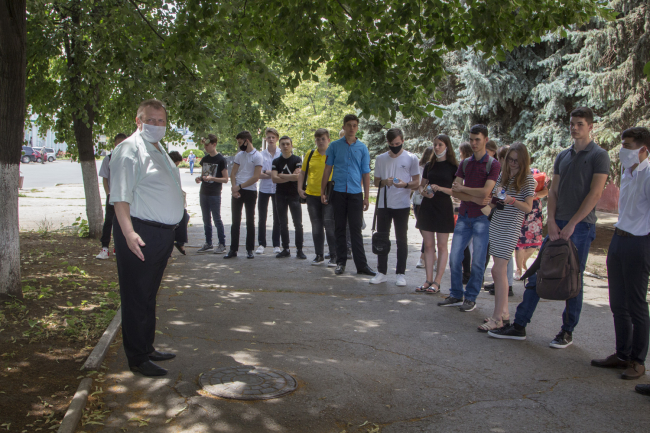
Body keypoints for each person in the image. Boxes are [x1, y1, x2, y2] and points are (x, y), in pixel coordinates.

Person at [489, 107, 610, 348]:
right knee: (537, 274)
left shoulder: (599, 155)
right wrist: (551, 222)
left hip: (581, 226)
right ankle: (519, 325)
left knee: (572, 279)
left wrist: (573, 223)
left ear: (590, 127)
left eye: (580, 124)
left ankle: (566, 331)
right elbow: (552, 192)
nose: (574, 127)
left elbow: (595, 193)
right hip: (557, 223)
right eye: (572, 123)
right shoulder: (563, 156)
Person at [110, 99, 184, 376]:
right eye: (150, 120)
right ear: (138, 121)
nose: (156, 125)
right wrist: (129, 233)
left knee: (149, 294)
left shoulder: (157, 147)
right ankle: (137, 358)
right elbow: (120, 196)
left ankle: (146, 347)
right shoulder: (130, 149)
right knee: (136, 295)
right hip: (140, 232)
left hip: (160, 233)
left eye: (161, 120)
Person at [591, 127, 650, 380]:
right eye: (622, 145)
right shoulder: (627, 172)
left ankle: (638, 361)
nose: (622, 150)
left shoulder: (648, 175)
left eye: (627, 146)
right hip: (619, 239)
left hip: (639, 242)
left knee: (636, 304)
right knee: (617, 303)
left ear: (643, 149)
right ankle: (622, 354)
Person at [438, 124, 500, 312]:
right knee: (454, 258)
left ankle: (471, 298)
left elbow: (486, 192)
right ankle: (456, 294)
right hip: (464, 216)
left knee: (478, 262)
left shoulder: (493, 164)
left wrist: (465, 190)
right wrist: (474, 196)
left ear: (485, 140)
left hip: (482, 218)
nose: (473, 143)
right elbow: (455, 192)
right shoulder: (465, 163)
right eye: (471, 140)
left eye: (477, 140)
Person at [478, 143, 535, 332]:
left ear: (524, 161)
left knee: (497, 270)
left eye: (516, 160)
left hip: (511, 226)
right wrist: (492, 202)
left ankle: (497, 319)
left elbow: (528, 208)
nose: (513, 163)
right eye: (510, 159)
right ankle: (503, 314)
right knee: (498, 271)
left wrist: (511, 200)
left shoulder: (527, 180)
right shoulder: (504, 174)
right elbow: (496, 198)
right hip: (497, 223)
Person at [321, 114, 376, 277]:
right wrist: (323, 192)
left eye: (354, 125)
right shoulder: (334, 146)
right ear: (343, 127)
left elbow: (366, 173)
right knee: (339, 228)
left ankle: (362, 265)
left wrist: (366, 197)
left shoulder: (362, 148)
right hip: (338, 192)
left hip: (355, 193)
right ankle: (341, 262)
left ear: (357, 127)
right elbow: (327, 170)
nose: (352, 128)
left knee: (355, 229)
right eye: (349, 125)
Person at [371, 128, 420, 286]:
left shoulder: (411, 158)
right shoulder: (381, 159)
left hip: (402, 204)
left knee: (401, 239)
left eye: (397, 143)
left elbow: (417, 182)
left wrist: (405, 184)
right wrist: (385, 182)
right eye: (392, 144)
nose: (395, 147)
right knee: (382, 238)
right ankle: (381, 272)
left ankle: (400, 273)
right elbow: (376, 182)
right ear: (388, 143)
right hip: (384, 204)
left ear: (403, 141)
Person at [415, 134, 458, 294]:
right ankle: (428, 280)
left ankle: (437, 282)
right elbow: (421, 185)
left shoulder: (453, 166)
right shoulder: (429, 165)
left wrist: (441, 189)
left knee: (441, 245)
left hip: (444, 207)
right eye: (435, 144)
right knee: (428, 245)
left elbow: (457, 191)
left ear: (447, 146)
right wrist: (423, 192)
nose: (437, 147)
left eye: (440, 144)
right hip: (428, 206)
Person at [299, 128, 337, 266]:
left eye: (323, 139)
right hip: (312, 195)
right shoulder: (310, 154)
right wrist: (299, 189)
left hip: (328, 195)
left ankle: (334, 256)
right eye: (318, 139)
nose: (320, 141)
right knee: (316, 226)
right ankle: (319, 255)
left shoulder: (333, 154)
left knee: (329, 225)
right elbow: (302, 173)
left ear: (328, 140)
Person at [225, 131, 263, 259]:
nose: (239, 145)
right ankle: (233, 249)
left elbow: (256, 177)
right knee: (235, 221)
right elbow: (233, 173)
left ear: (247, 141)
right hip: (237, 190)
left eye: (240, 142)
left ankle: (249, 249)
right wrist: (234, 188)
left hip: (250, 190)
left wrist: (240, 186)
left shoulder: (257, 156)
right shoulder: (239, 155)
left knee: (250, 221)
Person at [271, 136, 306, 259]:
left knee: (298, 223)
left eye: (287, 144)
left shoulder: (297, 159)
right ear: (279, 146)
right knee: (282, 223)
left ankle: (299, 250)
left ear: (291, 145)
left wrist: (281, 175)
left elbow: (298, 177)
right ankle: (285, 249)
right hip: (280, 195)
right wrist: (290, 176)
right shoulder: (276, 161)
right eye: (283, 144)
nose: (285, 146)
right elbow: (274, 179)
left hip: (294, 195)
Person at [96, 133, 127, 260]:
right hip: (113, 196)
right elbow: (105, 178)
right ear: (114, 144)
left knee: (122, 222)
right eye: (119, 143)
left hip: (125, 197)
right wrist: (108, 193)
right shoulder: (108, 159)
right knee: (109, 221)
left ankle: (117, 248)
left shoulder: (128, 159)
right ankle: (104, 248)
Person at [195, 134, 228, 254]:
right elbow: (204, 175)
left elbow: (225, 179)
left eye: (207, 145)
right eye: (204, 145)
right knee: (206, 219)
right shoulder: (205, 159)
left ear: (214, 144)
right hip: (204, 192)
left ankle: (222, 243)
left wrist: (212, 178)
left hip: (214, 193)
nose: (205, 147)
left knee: (216, 218)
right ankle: (208, 242)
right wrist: (200, 178)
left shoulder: (221, 159)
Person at [514, 165, 548, 278]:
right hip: (520, 210)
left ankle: (524, 262)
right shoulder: (516, 173)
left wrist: (536, 195)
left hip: (535, 212)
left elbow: (545, 191)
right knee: (519, 242)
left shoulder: (536, 172)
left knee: (535, 242)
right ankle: (518, 269)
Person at [256, 128, 282, 255]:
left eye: (273, 137)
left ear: (277, 139)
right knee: (262, 217)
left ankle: (276, 244)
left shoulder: (281, 154)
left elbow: (282, 174)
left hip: (277, 189)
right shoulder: (261, 155)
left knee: (277, 217)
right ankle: (261, 244)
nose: (271, 139)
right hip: (264, 189)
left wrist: (266, 172)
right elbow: (257, 174)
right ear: (265, 139)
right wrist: (273, 174)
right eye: (269, 137)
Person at [414, 146, 434, 269]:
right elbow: (418, 185)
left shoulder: (435, 168)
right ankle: (429, 257)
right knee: (425, 230)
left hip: (430, 202)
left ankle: (424, 257)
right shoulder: (421, 168)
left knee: (428, 231)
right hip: (419, 201)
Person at [168, 151, 190, 255]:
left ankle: (179, 242)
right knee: (182, 217)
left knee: (184, 217)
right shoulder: (170, 169)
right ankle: (178, 242)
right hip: (170, 200)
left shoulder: (172, 169)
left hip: (174, 199)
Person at [458, 141, 474, 284]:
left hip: (473, 210)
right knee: (466, 245)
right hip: (465, 208)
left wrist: (462, 191)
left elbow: (460, 188)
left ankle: (468, 273)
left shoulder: (467, 165)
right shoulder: (463, 165)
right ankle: (467, 272)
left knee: (465, 245)